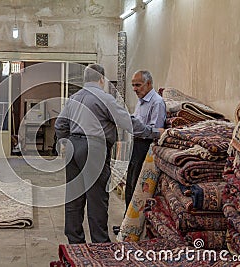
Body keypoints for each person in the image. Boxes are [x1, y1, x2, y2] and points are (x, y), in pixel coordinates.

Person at [54, 64, 162, 244]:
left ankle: (75, 241)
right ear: (101, 79)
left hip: (73, 147)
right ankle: (99, 243)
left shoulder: (73, 98)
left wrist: (66, 141)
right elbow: (128, 122)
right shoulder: (104, 98)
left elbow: (60, 125)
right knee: (97, 197)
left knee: (74, 197)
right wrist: (154, 132)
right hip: (94, 148)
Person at [124, 70, 166, 214]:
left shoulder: (157, 103)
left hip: (145, 146)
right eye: (133, 85)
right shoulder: (141, 102)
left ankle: (133, 223)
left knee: (137, 184)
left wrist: (135, 125)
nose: (135, 89)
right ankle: (127, 221)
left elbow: (156, 130)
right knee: (130, 184)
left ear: (148, 84)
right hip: (136, 145)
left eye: (138, 85)